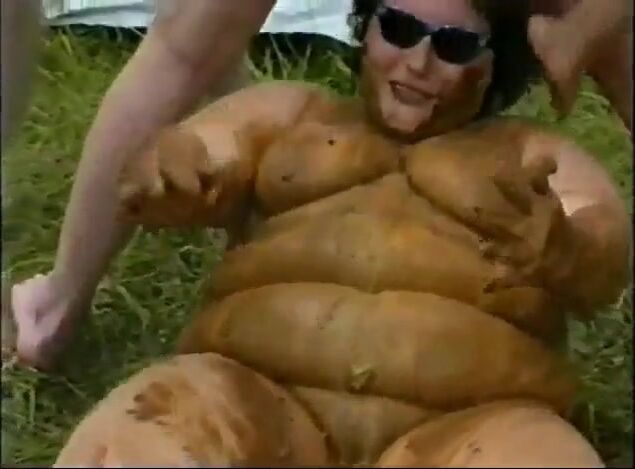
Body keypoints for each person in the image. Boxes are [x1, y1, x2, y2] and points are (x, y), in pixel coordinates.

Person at [54, 0, 631, 466]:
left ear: (497, 64)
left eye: (453, 46)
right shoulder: (290, 114)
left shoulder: (533, 157)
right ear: (365, 25)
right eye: (399, 28)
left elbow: (601, 238)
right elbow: (204, 150)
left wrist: (570, 249)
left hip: (469, 427)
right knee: (140, 439)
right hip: (255, 401)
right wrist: (169, 171)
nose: (418, 62)